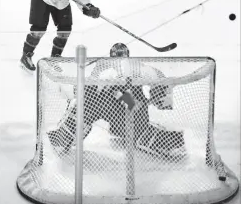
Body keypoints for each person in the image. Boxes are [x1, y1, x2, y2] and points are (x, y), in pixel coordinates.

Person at [47, 42, 185, 160]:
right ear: (128, 55)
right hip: (131, 106)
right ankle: (155, 137)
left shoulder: (103, 66)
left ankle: (65, 137)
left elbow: (82, 90)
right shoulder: (139, 65)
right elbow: (162, 91)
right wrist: (158, 101)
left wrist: (73, 90)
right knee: (134, 120)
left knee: (88, 100)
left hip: (114, 105)